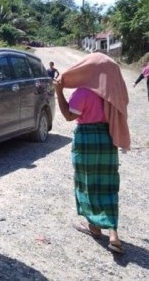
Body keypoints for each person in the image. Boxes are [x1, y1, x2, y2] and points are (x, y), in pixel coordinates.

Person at [54, 52, 130, 255]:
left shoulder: (83, 93)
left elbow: (69, 115)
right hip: (107, 139)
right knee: (107, 183)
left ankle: (94, 227)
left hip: (86, 139)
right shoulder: (114, 93)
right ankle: (113, 234)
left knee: (86, 182)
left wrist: (59, 92)